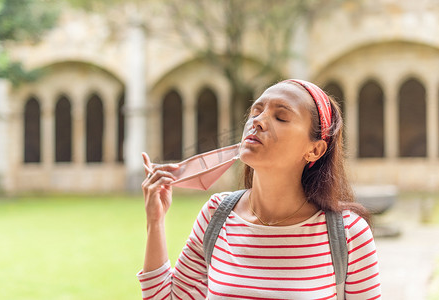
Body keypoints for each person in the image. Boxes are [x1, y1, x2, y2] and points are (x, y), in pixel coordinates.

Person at [138, 79, 381, 299]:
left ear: (314, 150)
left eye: (281, 117)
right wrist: (155, 221)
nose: (258, 121)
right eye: (256, 111)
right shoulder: (216, 214)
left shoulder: (348, 234)